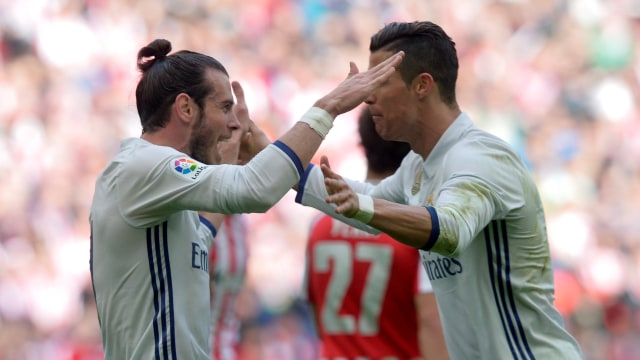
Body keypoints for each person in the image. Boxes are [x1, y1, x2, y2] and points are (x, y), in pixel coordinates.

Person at [89, 38, 404, 359]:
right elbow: (256, 190)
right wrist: (329, 107)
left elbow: (200, 238)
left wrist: (225, 161)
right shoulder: (143, 166)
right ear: (185, 108)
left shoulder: (158, 183)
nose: (234, 123)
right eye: (224, 108)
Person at [294, 21, 585, 359]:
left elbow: (448, 230)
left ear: (422, 85)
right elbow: (365, 204)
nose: (368, 97)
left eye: (381, 82)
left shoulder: (479, 157)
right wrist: (279, 163)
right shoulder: (418, 166)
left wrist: (362, 207)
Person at [303, 107, 449, 360]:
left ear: (362, 143)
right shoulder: (417, 225)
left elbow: (317, 315)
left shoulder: (320, 224)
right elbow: (431, 320)